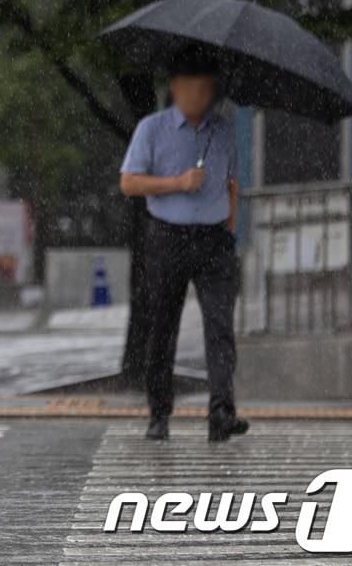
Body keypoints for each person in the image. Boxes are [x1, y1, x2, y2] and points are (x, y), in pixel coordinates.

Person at [119, 46, 249, 443]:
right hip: (167, 237)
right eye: (192, 87)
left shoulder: (223, 130)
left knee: (220, 327)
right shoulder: (152, 129)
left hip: (213, 241)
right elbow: (129, 182)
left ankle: (222, 412)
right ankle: (159, 413)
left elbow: (232, 183)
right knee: (162, 326)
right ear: (175, 87)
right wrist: (177, 182)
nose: (199, 96)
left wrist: (229, 227)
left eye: (207, 88)